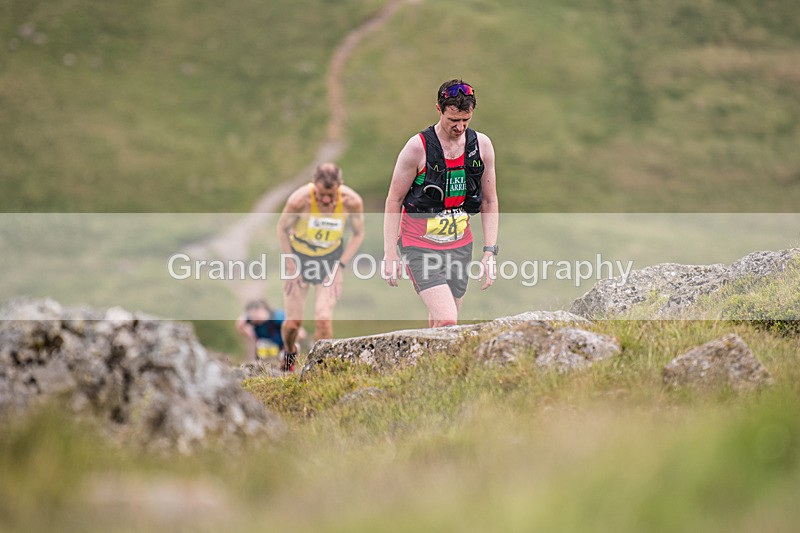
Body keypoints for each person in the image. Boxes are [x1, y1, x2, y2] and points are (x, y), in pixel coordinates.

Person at [383, 79, 499, 327]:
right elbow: (394, 200)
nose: (460, 127)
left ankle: (427, 365)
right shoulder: (417, 147)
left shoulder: (482, 146)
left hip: (460, 246)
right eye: (453, 121)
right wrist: (390, 253)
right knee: (448, 321)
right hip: (420, 246)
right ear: (439, 109)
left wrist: (489, 252)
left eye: (466, 121)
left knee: (439, 325)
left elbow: (489, 201)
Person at [277, 162, 365, 371]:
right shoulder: (299, 200)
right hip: (299, 258)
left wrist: (340, 267)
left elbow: (358, 234)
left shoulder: (352, 202)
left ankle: (320, 370)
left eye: (331, 194)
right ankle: (290, 352)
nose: (325, 200)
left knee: (323, 318)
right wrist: (291, 265)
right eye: (320, 194)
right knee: (292, 324)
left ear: (340, 185)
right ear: (313, 184)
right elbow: (281, 229)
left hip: (330, 260)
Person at [235, 299, 286, 364]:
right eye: (251, 314)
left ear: (263, 308)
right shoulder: (254, 321)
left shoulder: (277, 316)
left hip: (281, 349)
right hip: (264, 354)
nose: (254, 317)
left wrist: (287, 345)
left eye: (256, 312)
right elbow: (240, 325)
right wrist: (253, 337)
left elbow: (300, 333)